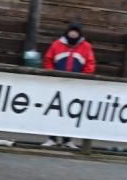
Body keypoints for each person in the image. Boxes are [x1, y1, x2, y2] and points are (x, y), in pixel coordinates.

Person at [40, 22, 96, 150]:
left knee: (71, 112)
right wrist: (52, 74)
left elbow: (90, 64)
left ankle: (68, 140)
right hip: (57, 84)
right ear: (67, 32)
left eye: (76, 31)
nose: (73, 33)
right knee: (54, 112)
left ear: (79, 33)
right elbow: (48, 60)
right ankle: (52, 138)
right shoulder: (57, 44)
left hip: (75, 85)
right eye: (71, 31)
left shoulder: (86, 47)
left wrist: (82, 78)